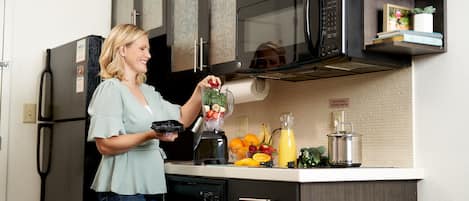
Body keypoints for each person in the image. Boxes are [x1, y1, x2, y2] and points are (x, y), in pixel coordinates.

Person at [87, 24, 221, 201]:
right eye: (142, 49)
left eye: (148, 50)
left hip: (152, 185)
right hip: (122, 188)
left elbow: (181, 119)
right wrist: (149, 135)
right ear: (122, 50)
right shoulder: (111, 89)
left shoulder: (148, 92)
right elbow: (104, 144)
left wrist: (199, 91)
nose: (148, 55)